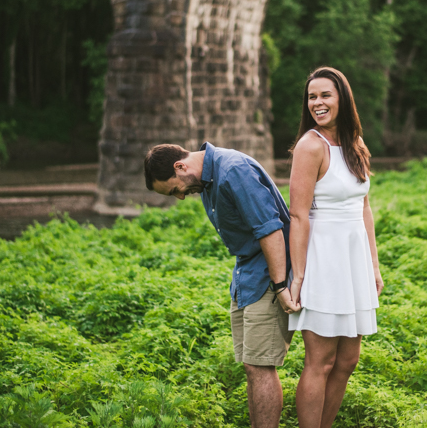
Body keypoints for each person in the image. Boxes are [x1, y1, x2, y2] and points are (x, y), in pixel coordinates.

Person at [144, 142, 301, 428]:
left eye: (174, 189)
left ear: (180, 167)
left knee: (260, 365)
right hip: (247, 275)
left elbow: (270, 228)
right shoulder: (208, 180)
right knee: (252, 366)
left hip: (268, 274)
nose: (179, 197)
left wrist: (280, 286)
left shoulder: (233, 170)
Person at [287, 66, 384, 428]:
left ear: (342, 98)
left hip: (353, 260)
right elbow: (298, 215)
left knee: (348, 360)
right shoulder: (310, 146)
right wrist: (298, 276)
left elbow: (364, 206)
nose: (318, 103)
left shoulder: (355, 144)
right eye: (312, 97)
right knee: (321, 360)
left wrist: (373, 266)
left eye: (325, 95)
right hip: (324, 261)